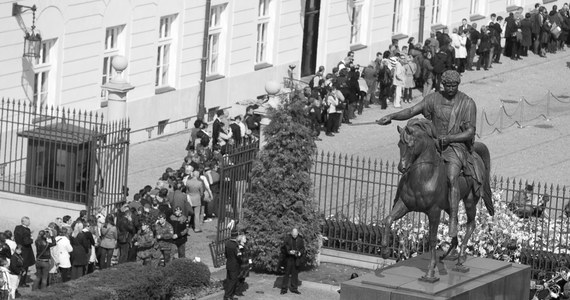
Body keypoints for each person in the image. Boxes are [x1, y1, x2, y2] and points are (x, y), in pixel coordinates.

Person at [377, 70, 483, 246]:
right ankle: (401, 200)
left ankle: (453, 219)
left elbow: (470, 131)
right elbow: (412, 110)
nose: (450, 89)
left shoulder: (467, 103)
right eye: (447, 85)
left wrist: (449, 138)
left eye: (454, 85)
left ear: (458, 84)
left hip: (454, 147)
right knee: (411, 169)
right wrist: (392, 116)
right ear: (442, 84)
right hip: (433, 143)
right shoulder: (433, 98)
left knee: (451, 175)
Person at [280, 228, 305, 295]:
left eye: (296, 235)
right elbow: (283, 247)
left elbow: (303, 248)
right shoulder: (287, 238)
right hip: (289, 258)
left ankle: (294, 288)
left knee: (295, 274)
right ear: (291, 233)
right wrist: (289, 251)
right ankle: (284, 289)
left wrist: (300, 253)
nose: (294, 236)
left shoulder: (300, 239)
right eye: (293, 235)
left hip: (296, 258)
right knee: (286, 274)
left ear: (297, 233)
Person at [13, 216, 34, 287]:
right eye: (28, 221)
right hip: (25, 250)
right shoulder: (26, 230)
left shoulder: (17, 227)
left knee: (19, 264)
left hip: (18, 248)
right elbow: (26, 242)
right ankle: (22, 283)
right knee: (25, 266)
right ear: (23, 222)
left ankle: (19, 281)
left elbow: (19, 236)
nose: (29, 222)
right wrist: (31, 238)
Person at [224, 230, 243, 300]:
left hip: (229, 263)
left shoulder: (227, 243)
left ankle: (229, 295)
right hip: (235, 265)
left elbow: (226, 254)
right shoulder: (236, 245)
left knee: (228, 280)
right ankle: (228, 296)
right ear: (237, 236)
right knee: (233, 281)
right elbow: (238, 256)